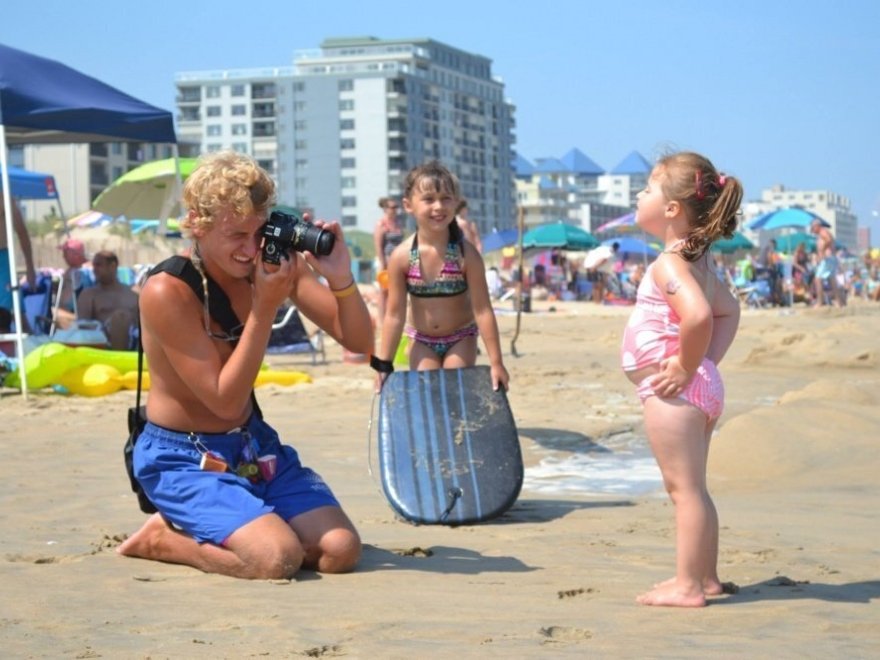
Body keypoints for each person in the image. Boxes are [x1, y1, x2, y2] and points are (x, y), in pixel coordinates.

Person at [118, 151, 373, 580]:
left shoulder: (267, 264)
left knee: (340, 551)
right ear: (198, 224)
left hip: (252, 445)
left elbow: (361, 344)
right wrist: (264, 309)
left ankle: (249, 521)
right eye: (236, 234)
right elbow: (224, 401)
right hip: (184, 455)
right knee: (277, 560)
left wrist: (340, 276)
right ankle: (163, 540)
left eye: (259, 232)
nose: (252, 248)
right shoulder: (167, 290)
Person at [620, 151, 742, 607]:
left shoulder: (670, 264)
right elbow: (728, 310)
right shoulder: (701, 262)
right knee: (696, 489)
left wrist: (687, 366)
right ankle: (705, 578)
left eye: (648, 189)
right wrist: (706, 365)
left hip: (675, 393)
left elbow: (696, 317)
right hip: (697, 390)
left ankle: (688, 586)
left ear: (671, 209)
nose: (640, 194)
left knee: (683, 490)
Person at [373, 160, 509, 391]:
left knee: (453, 386)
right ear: (408, 205)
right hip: (421, 340)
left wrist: (497, 363)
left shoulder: (466, 255)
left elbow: (483, 310)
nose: (438, 206)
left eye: (446, 198)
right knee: (429, 391)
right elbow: (394, 316)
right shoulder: (402, 257)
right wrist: (383, 365)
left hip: (460, 337)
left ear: (455, 203)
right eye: (428, 199)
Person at [76, 250, 140, 350]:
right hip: (104, 344)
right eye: (94, 266)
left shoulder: (133, 293)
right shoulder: (89, 295)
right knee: (120, 318)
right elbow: (83, 326)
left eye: (98, 265)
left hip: (135, 341)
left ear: (113, 266)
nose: (94, 270)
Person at [0, 196, 37, 313]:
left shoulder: (4, 197)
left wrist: (30, 268)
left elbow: (22, 233)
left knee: (11, 313)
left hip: (2, 260)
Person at [372, 196, 405, 322]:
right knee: (383, 291)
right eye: (393, 207)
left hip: (397, 261)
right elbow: (378, 246)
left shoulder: (398, 223)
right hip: (385, 260)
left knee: (395, 291)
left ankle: (392, 317)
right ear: (385, 209)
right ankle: (382, 320)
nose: (395, 210)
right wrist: (382, 263)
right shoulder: (381, 224)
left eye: (397, 207)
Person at [54, 238, 95, 329]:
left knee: (53, 313)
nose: (63, 256)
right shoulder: (72, 270)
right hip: (73, 313)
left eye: (65, 253)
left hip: (81, 318)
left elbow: (65, 301)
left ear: (76, 255)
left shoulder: (84, 272)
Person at [810, 219, 839, 306]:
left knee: (818, 279)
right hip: (830, 258)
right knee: (832, 279)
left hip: (827, 258)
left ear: (817, 226)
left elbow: (828, 240)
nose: (813, 231)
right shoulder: (823, 232)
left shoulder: (823, 232)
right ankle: (838, 302)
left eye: (813, 228)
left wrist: (822, 250)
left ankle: (820, 301)